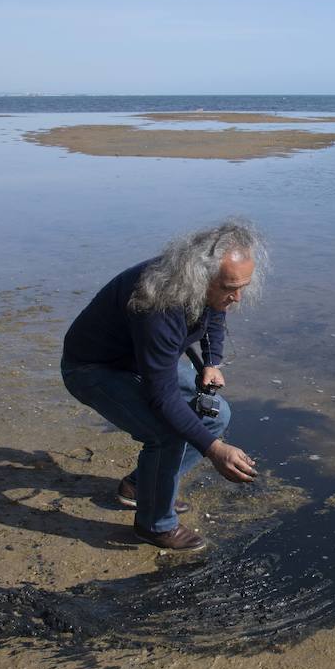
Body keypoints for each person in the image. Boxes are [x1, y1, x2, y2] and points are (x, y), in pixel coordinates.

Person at [60, 221, 265, 551]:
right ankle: (154, 525)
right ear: (202, 277)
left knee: (215, 415)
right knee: (166, 433)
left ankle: (141, 488)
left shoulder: (210, 290)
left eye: (243, 286)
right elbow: (162, 397)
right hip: (92, 368)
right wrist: (214, 451)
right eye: (230, 287)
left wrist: (212, 361)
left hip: (141, 359)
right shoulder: (159, 306)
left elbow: (215, 310)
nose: (237, 297)